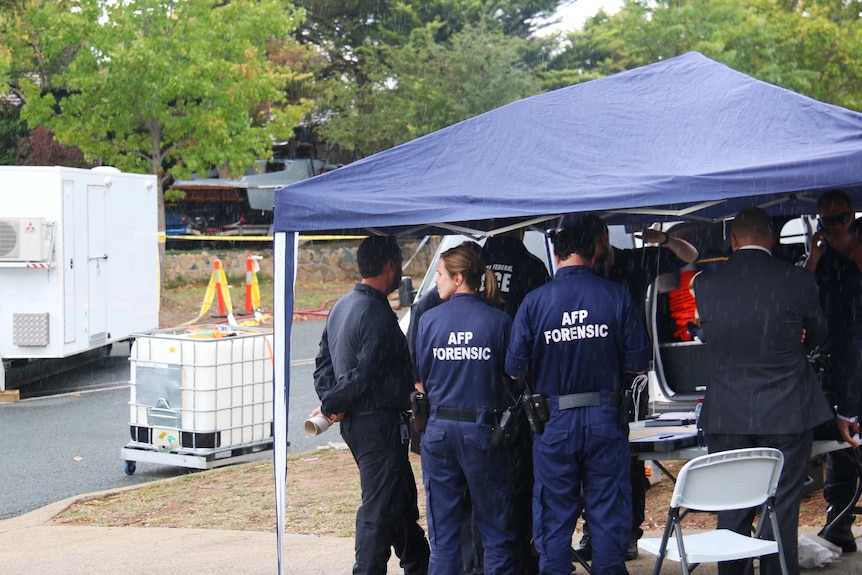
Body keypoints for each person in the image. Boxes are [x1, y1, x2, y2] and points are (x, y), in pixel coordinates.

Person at [506, 216, 651, 575]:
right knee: (608, 517)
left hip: (554, 422)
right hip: (605, 419)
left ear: (555, 253)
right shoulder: (617, 296)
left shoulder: (534, 302)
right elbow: (637, 364)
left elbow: (513, 368)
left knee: (554, 520)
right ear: (594, 249)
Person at [692, 207, 833, 575]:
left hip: (728, 413)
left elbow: (713, 336)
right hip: (786, 410)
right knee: (782, 506)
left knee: (733, 505)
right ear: (771, 238)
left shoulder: (706, 282)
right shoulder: (797, 281)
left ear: (733, 240)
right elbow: (819, 334)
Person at [578, 216, 699, 561]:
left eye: (594, 243)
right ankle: (592, 530)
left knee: (628, 452)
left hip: (630, 374)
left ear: (604, 238)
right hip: (591, 371)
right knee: (591, 454)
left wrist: (662, 239)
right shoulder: (584, 269)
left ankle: (628, 531)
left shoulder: (633, 260)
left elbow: (690, 253)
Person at [312, 235, 430, 575]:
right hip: (377, 424)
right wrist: (332, 404)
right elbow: (367, 372)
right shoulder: (377, 312)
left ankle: (419, 563)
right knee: (378, 510)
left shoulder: (341, 306)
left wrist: (331, 400)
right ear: (391, 266)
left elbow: (323, 364)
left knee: (400, 501)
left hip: (358, 424)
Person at [416, 242, 517, 575]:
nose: (437, 282)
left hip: (439, 430)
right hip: (482, 432)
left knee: (444, 538)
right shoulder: (498, 321)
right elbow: (511, 377)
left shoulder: (429, 320)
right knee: (496, 533)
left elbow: (421, 380)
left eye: (441, 275)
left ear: (459, 278)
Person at [482, 223, 551, 575]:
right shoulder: (533, 268)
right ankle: (522, 554)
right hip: (519, 389)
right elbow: (542, 329)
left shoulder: (474, 261)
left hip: (474, 386)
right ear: (522, 228)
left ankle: (485, 554)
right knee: (521, 478)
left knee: (480, 482)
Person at [803, 190, 862, 552]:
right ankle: (839, 522)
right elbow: (802, 294)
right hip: (836, 363)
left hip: (853, 360)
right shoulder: (825, 263)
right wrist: (812, 257)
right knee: (841, 449)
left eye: (842, 219)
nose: (835, 226)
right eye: (828, 220)